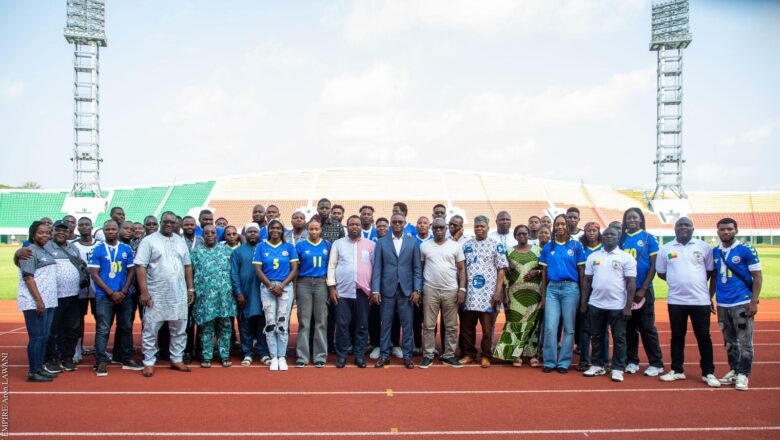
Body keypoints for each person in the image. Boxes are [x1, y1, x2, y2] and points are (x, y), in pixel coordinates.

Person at [656, 217, 719, 387]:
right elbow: (661, 272)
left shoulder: (704, 247)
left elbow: (710, 272)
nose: (683, 228)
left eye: (687, 225)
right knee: (677, 336)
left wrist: (700, 288)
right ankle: (677, 370)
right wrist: (677, 281)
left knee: (703, 336)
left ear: (693, 228)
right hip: (676, 300)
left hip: (700, 300)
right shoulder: (666, 249)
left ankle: (708, 372)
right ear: (674, 229)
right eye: (679, 225)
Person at [134, 211, 195, 377]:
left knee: (179, 329)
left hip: (178, 292)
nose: (169, 224)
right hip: (156, 293)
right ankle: (148, 361)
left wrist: (190, 289)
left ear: (176, 224)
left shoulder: (180, 241)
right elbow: (140, 267)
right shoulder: (149, 240)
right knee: (151, 328)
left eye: (172, 222)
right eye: (165, 221)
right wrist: (144, 292)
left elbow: (187, 266)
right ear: (161, 222)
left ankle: (176, 359)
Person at [580, 227, 637, 382]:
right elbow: (586, 281)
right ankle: (597, 365)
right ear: (601, 237)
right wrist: (584, 303)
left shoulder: (626, 257)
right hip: (596, 303)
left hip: (618, 305)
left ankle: (618, 368)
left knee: (619, 337)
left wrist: (628, 307)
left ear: (618, 237)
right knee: (597, 335)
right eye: (606, 234)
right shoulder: (593, 256)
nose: (609, 236)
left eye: (612, 234)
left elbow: (631, 283)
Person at [713, 218, 762, 391]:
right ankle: (734, 369)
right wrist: (710, 297)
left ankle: (743, 374)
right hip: (722, 304)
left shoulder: (745, 249)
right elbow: (714, 276)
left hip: (742, 303)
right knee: (729, 341)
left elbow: (757, 276)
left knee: (745, 341)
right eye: (722, 229)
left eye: (729, 229)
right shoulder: (715, 251)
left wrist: (754, 301)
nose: (726, 232)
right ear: (717, 231)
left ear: (736, 230)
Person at [89, 220, 141, 376]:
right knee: (103, 329)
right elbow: (94, 275)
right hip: (104, 296)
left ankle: (126, 357)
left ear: (118, 230)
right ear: (103, 231)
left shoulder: (126, 249)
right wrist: (111, 292)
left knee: (126, 327)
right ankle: (101, 361)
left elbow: (131, 271)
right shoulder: (97, 249)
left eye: (113, 229)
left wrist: (124, 290)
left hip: (125, 295)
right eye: (107, 229)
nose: (110, 231)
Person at [372, 213, 422, 369]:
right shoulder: (381, 242)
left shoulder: (412, 242)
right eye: (394, 222)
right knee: (385, 324)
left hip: (407, 291)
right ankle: (384, 355)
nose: (397, 224)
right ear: (390, 224)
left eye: (400, 222)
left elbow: (417, 269)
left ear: (405, 223)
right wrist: (375, 290)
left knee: (407, 325)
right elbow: (377, 268)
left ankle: (407, 356)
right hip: (387, 290)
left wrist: (417, 290)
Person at [620, 208, 664, 377]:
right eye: (628, 217)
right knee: (629, 328)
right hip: (625, 291)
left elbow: (654, 265)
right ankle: (632, 360)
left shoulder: (648, 237)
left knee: (647, 328)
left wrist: (644, 288)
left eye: (634, 217)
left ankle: (656, 362)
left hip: (643, 290)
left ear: (640, 220)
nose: (631, 220)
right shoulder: (621, 239)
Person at [539, 214, 586, 374]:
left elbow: (581, 271)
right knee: (551, 327)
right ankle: (550, 361)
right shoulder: (548, 247)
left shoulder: (576, 245)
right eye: (557, 224)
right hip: (552, 288)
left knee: (569, 327)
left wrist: (583, 295)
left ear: (567, 226)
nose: (560, 227)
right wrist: (543, 296)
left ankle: (564, 362)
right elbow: (544, 273)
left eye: (563, 224)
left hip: (570, 288)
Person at [459, 216, 508, 368]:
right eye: (476, 226)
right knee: (467, 327)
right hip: (470, 294)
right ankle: (469, 354)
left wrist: (497, 292)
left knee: (488, 328)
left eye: (482, 226)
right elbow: (462, 269)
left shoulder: (496, 245)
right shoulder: (466, 245)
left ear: (488, 227)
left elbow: (501, 270)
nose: (479, 229)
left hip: (488, 295)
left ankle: (486, 355)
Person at [327, 216, 375, 368]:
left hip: (363, 292)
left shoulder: (371, 245)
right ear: (346, 227)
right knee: (342, 325)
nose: (354, 227)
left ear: (361, 227)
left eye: (357, 224)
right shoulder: (338, 243)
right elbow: (331, 266)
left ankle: (359, 355)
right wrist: (332, 288)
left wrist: (374, 290)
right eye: (351, 224)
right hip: (342, 292)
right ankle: (342, 355)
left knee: (362, 326)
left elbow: (375, 269)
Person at [493, 225, 542, 368]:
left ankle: (531, 354)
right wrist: (505, 295)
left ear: (528, 235)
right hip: (514, 294)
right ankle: (516, 355)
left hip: (534, 294)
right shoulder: (509, 252)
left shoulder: (537, 251)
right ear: (515, 236)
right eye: (519, 234)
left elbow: (545, 270)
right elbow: (505, 275)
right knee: (515, 324)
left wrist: (537, 272)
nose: (522, 236)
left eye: (524, 233)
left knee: (532, 325)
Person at [253, 219, 299, 371]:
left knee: (282, 321)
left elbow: (294, 269)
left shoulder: (289, 247)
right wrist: (271, 285)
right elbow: (258, 270)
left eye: (278, 228)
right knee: (270, 321)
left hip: (285, 287)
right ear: (268, 230)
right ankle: (273, 356)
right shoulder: (261, 247)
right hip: (268, 287)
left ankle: (282, 356)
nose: (275, 230)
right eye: (272, 228)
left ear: (282, 230)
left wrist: (282, 286)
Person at [419, 218, 465, 368]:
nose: (438, 230)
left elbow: (461, 269)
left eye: (441, 228)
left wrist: (462, 289)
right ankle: (428, 355)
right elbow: (420, 267)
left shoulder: (455, 246)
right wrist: (419, 289)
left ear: (446, 228)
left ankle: (449, 355)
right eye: (436, 228)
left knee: (451, 326)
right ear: (432, 229)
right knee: (428, 325)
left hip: (451, 290)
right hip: (430, 289)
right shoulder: (424, 246)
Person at [191, 225, 237, 368]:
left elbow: (234, 273)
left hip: (225, 297)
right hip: (205, 298)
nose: (210, 235)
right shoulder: (196, 252)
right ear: (202, 235)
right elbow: (190, 273)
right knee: (206, 327)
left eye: (213, 233)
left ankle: (224, 355)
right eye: (207, 233)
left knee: (226, 326)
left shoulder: (227, 251)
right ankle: (206, 356)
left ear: (217, 235)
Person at [18, 221, 59, 382]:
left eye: (47, 233)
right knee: (36, 337)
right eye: (41, 233)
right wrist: (38, 301)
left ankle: (40, 367)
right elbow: (28, 278)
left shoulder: (46, 249)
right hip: (35, 302)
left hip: (48, 301)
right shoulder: (28, 252)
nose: (45, 236)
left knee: (44, 336)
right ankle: (33, 371)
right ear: (33, 234)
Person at [43, 220, 83, 374]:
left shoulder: (72, 247)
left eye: (64, 230)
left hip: (73, 295)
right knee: (52, 330)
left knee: (72, 328)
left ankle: (67, 357)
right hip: (54, 296)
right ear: (52, 231)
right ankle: (51, 359)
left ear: (68, 232)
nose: (61, 232)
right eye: (58, 230)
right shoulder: (46, 246)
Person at [230, 223, 270, 367]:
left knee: (262, 323)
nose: (253, 234)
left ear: (259, 234)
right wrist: (238, 292)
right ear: (245, 234)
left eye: (255, 231)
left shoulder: (265, 249)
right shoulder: (238, 252)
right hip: (245, 293)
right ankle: (247, 353)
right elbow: (234, 273)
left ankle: (263, 352)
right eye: (250, 232)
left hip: (263, 293)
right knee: (245, 323)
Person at [295, 220, 331, 368]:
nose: (314, 232)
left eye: (317, 229)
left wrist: (330, 287)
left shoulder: (327, 245)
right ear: (307, 230)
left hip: (321, 283)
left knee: (321, 320)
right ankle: (302, 357)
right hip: (304, 283)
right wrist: (295, 289)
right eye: (311, 229)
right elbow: (295, 269)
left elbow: (331, 266)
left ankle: (320, 356)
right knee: (304, 321)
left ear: (320, 229)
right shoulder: (300, 245)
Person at [576, 221, 607, 371]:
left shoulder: (604, 248)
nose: (592, 233)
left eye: (595, 230)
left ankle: (604, 360)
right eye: (589, 230)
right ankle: (584, 359)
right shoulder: (581, 248)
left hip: (603, 293)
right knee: (585, 328)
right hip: (586, 293)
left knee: (603, 329)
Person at [71, 217, 99, 363]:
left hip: (98, 289)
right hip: (79, 289)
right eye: (81, 225)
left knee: (100, 319)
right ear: (77, 228)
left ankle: (99, 349)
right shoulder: (72, 246)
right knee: (78, 321)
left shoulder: (100, 244)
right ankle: (77, 350)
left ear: (91, 227)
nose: (84, 227)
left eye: (87, 224)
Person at [368, 217, 390, 358]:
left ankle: (393, 344)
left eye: (384, 226)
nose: (381, 228)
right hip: (374, 284)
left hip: (390, 285)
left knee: (392, 316)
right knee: (374, 315)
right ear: (375, 228)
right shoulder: (370, 244)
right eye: (379, 226)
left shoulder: (393, 243)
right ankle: (376, 344)